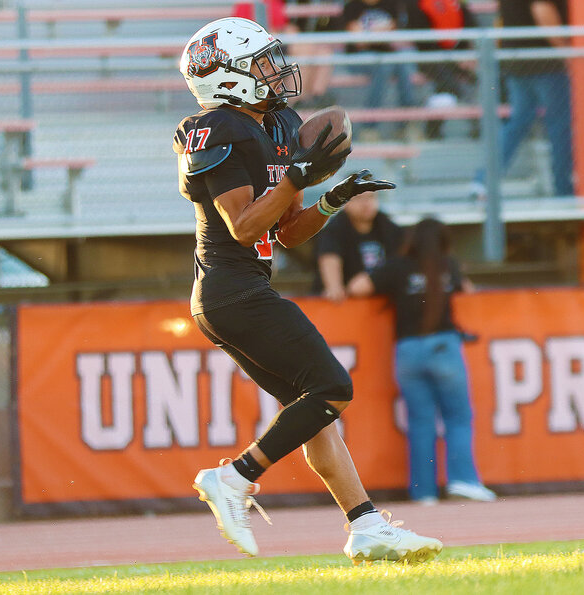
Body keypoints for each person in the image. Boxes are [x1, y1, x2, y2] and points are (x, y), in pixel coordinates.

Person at [174, 16, 443, 564]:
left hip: (242, 289)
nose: (275, 72)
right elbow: (244, 228)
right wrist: (297, 175)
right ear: (227, 77)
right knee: (330, 388)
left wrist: (333, 197)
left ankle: (365, 525)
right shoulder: (218, 128)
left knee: (312, 407)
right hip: (231, 291)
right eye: (261, 63)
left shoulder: (274, 123)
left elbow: (287, 231)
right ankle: (235, 477)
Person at [347, 218, 496, 505]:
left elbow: (358, 287)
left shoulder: (397, 267)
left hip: (407, 351)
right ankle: (463, 480)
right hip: (443, 346)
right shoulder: (447, 266)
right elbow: (469, 289)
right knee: (457, 418)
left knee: (420, 422)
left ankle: (423, 492)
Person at [471, 0, 575, 199]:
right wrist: (566, 51)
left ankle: (483, 181)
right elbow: (542, 9)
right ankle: (563, 188)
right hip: (545, 62)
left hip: (518, 59)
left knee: (518, 122)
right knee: (559, 125)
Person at [341, 0, 419, 140]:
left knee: (401, 64)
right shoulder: (352, 6)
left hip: (386, 55)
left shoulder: (391, 4)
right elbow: (359, 42)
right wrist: (381, 33)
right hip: (358, 58)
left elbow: (393, 35)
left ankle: (406, 125)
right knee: (385, 66)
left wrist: (369, 34)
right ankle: (370, 128)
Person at [401, 0, 479, 139]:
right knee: (449, 84)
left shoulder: (456, 3)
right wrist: (452, 58)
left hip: (455, 58)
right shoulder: (415, 4)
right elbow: (421, 39)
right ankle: (433, 129)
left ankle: (478, 126)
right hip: (428, 58)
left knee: (479, 78)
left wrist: (465, 53)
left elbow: (471, 25)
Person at [312, 188, 403, 300]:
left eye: (371, 197)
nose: (366, 204)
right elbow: (329, 256)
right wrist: (334, 287)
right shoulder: (334, 229)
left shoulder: (387, 226)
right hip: (349, 299)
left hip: (381, 298)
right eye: (359, 198)